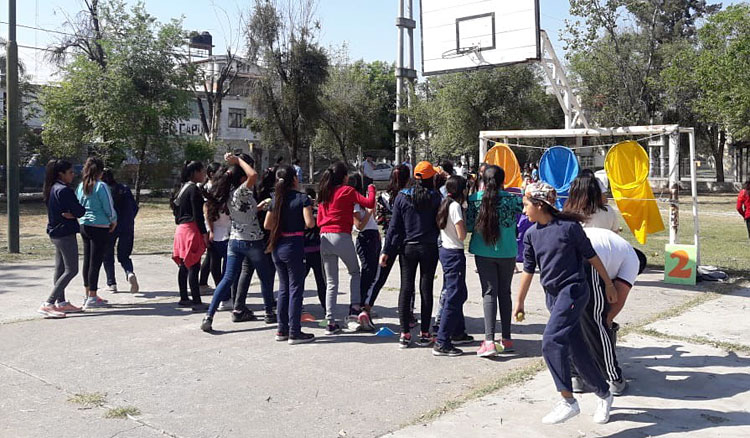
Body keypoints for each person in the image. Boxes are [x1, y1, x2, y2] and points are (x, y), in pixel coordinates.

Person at [513, 182, 616, 425]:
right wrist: (519, 301)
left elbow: (592, 257)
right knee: (576, 349)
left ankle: (567, 400)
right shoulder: (531, 234)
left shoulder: (569, 228)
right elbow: (528, 271)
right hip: (553, 296)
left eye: (526, 204)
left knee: (550, 340)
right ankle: (604, 393)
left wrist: (609, 284)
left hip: (574, 291)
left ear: (540, 205)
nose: (524, 209)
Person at [201, 153, 275, 331]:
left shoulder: (227, 194)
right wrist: (238, 161)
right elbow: (253, 175)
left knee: (227, 278)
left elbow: (244, 211)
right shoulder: (242, 190)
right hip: (252, 240)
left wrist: (258, 207)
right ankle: (269, 312)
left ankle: (209, 316)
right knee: (266, 277)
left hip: (234, 240)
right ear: (241, 178)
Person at [571, 227, 645, 397]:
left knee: (570, 320)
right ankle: (613, 379)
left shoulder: (616, 247)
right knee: (598, 322)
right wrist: (608, 320)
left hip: (559, 255)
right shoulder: (633, 260)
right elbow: (619, 297)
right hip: (589, 259)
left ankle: (574, 376)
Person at [381, 161, 442, 348]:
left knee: (406, 288)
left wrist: (386, 250)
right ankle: (425, 333)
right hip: (429, 247)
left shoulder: (402, 197)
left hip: (407, 248)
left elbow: (394, 227)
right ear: (431, 178)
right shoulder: (436, 197)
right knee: (426, 288)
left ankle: (404, 334)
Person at [465, 165, 524, 357]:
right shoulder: (513, 200)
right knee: (504, 292)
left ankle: (489, 340)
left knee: (489, 293)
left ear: (483, 180)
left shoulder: (474, 200)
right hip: (507, 251)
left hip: (483, 251)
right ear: (502, 180)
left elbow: (468, 226)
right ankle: (506, 338)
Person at [317, 161, 376, 335]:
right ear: (344, 177)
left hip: (324, 236)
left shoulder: (324, 193)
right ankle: (355, 307)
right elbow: (370, 202)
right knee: (354, 272)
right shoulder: (347, 191)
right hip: (340, 235)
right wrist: (371, 188)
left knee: (331, 281)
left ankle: (330, 321)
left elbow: (320, 218)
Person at [264, 165, 317, 344]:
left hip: (278, 245)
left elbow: (267, 225)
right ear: (294, 179)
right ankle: (295, 331)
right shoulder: (302, 198)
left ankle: (282, 329)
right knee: (295, 289)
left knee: (283, 288)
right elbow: (310, 223)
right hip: (294, 244)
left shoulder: (275, 199)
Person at [39, 159, 86, 318]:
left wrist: (72, 213)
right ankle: (48, 303)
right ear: (61, 173)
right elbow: (80, 211)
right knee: (72, 269)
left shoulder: (51, 188)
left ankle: (62, 302)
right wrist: (74, 214)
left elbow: (73, 211)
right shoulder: (64, 190)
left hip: (55, 232)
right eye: (71, 172)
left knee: (60, 269)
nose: (73, 175)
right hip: (65, 233)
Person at [365, 164, 411, 313]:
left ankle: (366, 307)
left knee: (379, 277)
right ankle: (408, 313)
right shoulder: (409, 196)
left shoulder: (383, 197)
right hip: (407, 240)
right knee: (407, 280)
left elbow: (379, 219)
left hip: (389, 239)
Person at [433, 175, 469, 357]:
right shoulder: (455, 206)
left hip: (447, 250)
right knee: (454, 297)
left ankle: (457, 331)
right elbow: (462, 234)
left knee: (460, 293)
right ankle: (442, 341)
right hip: (454, 252)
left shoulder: (446, 202)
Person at [76, 157, 118, 310]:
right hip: (99, 226)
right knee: (96, 261)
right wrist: (113, 220)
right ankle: (92, 296)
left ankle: (88, 293)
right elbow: (108, 205)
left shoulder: (81, 186)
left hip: (84, 225)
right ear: (100, 171)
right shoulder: (101, 186)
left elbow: (78, 204)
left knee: (87, 260)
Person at [171, 161, 208, 311]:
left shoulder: (181, 188)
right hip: (191, 229)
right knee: (194, 265)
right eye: (202, 171)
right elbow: (198, 214)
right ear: (195, 172)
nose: (204, 174)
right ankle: (197, 301)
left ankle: (184, 298)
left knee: (183, 266)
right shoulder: (194, 189)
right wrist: (204, 233)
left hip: (180, 229)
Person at [348, 173, 380, 331]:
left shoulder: (361, 201)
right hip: (364, 238)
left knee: (373, 271)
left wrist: (370, 209)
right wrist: (368, 211)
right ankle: (359, 306)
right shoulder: (355, 204)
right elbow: (359, 225)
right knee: (367, 271)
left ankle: (365, 305)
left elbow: (370, 217)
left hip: (373, 236)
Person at [101, 168, 140, 294]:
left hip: (111, 226)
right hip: (127, 226)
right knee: (124, 255)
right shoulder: (124, 189)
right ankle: (129, 273)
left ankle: (111, 283)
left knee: (107, 255)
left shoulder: (104, 191)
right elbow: (134, 207)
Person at [203, 165, 232, 303]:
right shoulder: (229, 196)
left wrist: (210, 231)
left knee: (215, 265)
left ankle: (221, 293)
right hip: (226, 234)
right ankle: (225, 295)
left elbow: (207, 215)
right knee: (226, 269)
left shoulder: (211, 194)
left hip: (216, 234)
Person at [199, 162, 223, 293]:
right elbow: (206, 212)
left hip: (214, 225)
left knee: (210, 256)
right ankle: (218, 285)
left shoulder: (216, 186)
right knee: (214, 257)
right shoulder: (209, 188)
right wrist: (210, 229)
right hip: (210, 225)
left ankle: (202, 282)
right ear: (212, 174)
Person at [303, 187, 326, 311]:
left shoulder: (317, 211)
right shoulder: (304, 212)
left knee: (321, 281)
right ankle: (297, 304)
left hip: (317, 250)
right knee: (299, 281)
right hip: (306, 251)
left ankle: (326, 306)